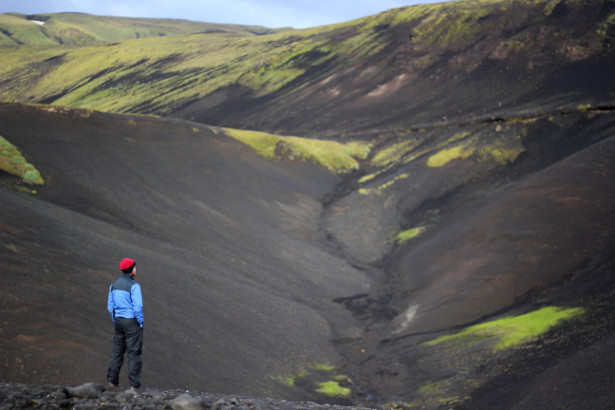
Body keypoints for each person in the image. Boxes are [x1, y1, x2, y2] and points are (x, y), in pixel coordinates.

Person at [106, 258, 144, 390]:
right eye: (135, 267)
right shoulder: (134, 286)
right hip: (131, 322)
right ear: (131, 269)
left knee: (117, 352)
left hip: (119, 322)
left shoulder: (113, 285)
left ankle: (112, 382)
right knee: (134, 353)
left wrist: (115, 319)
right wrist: (139, 321)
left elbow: (110, 307)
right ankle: (134, 385)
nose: (136, 269)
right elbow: (138, 306)